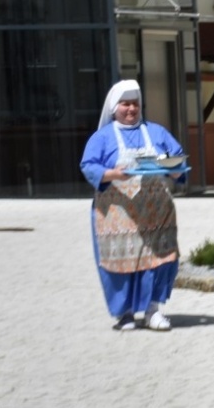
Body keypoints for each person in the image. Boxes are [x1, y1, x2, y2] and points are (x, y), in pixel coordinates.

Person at [79, 80, 185, 331]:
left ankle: (153, 310)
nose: (131, 109)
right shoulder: (102, 137)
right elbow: (88, 166)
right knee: (119, 261)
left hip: (156, 212)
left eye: (135, 104)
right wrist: (114, 174)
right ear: (114, 108)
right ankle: (124, 313)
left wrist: (175, 170)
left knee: (159, 259)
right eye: (126, 104)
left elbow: (177, 160)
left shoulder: (157, 132)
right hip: (118, 213)